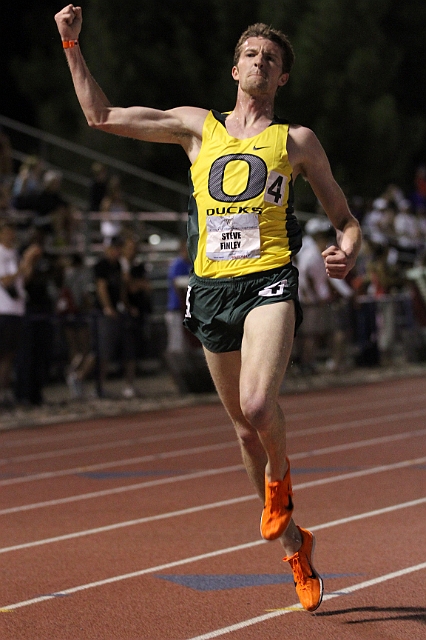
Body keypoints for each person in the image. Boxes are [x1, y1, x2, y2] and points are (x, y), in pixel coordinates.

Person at [55, 6, 362, 612]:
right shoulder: (199, 128)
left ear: (282, 80)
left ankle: (281, 484)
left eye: (271, 59)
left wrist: (345, 253)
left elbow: (346, 221)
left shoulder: (296, 141)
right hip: (211, 289)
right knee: (244, 431)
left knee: (257, 402)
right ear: (235, 69)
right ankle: (296, 546)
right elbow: (100, 115)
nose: (261, 61)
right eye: (252, 53)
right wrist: (70, 45)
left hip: (269, 279)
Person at [0, 220, 41, 407]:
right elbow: (6, 281)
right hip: (3, 309)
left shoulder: (14, 253)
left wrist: (28, 262)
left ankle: (5, 393)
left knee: (10, 355)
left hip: (16, 309)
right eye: (7, 232)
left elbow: (24, 280)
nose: (11, 235)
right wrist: (23, 265)